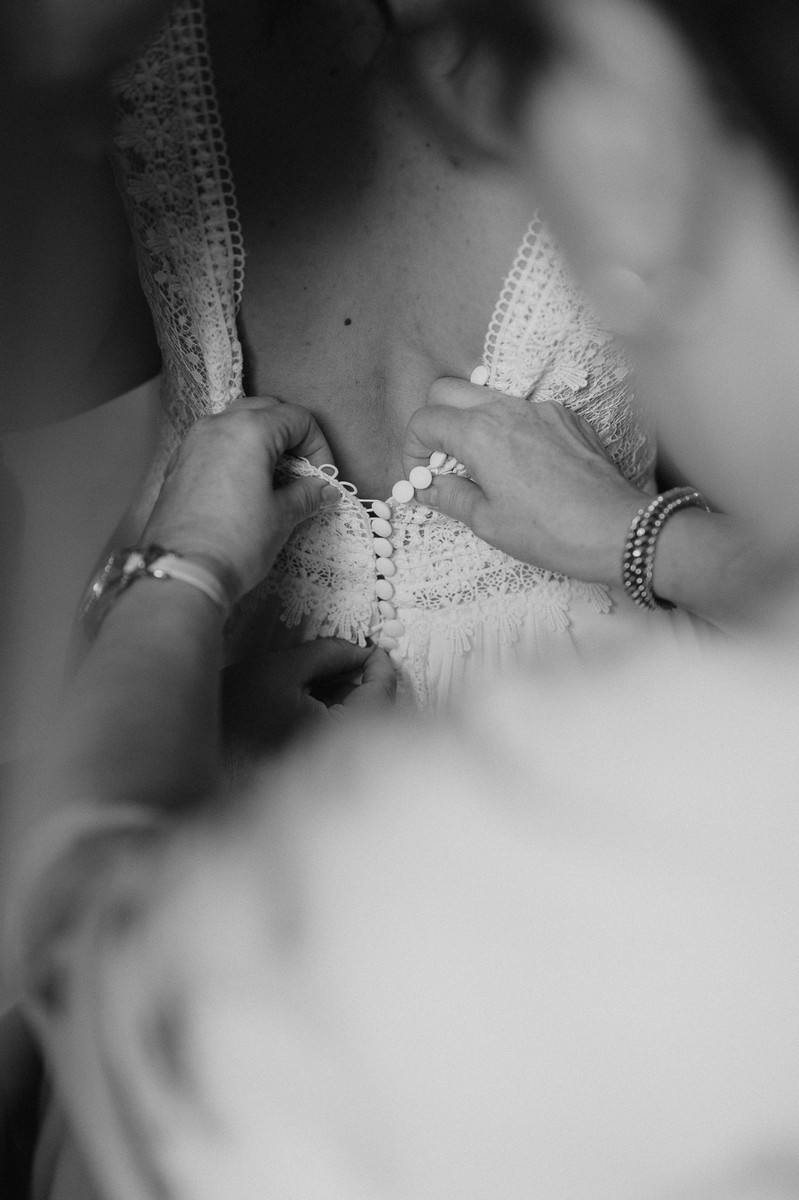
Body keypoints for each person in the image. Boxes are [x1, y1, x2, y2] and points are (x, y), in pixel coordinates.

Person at [109, 0, 707, 718]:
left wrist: (645, 534)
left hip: (607, 748)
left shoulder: (669, 37)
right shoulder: (109, 38)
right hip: (186, 710)